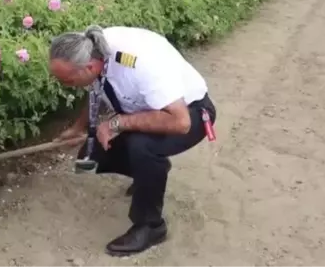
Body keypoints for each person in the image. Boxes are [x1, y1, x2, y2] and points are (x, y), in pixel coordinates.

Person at [49, 25, 217, 257]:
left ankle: (151, 226)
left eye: (66, 81)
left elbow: (181, 123)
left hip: (191, 112)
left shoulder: (140, 64)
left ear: (88, 67)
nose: (64, 85)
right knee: (92, 157)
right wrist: (79, 127)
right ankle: (150, 173)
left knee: (142, 147)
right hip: (149, 110)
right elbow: (98, 87)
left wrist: (116, 124)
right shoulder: (92, 48)